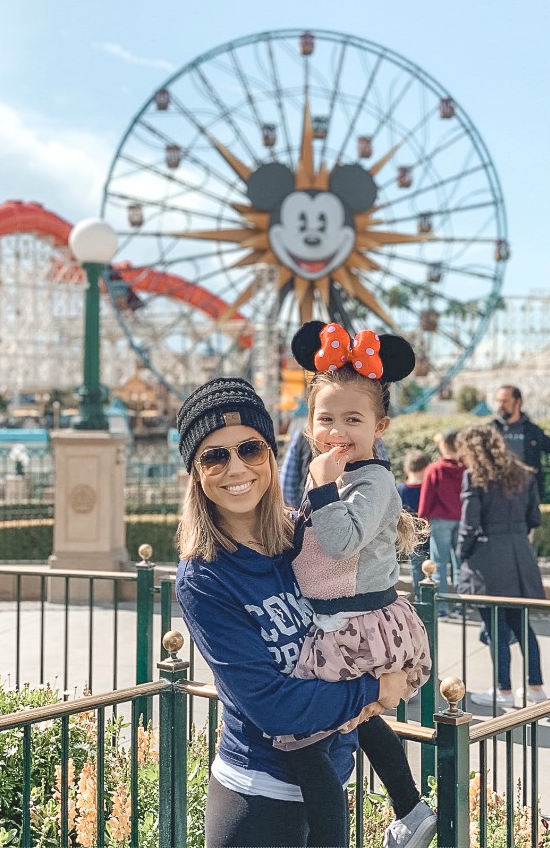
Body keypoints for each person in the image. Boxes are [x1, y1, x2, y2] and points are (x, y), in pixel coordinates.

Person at [174, 377, 411, 848]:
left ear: (271, 454)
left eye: (250, 449)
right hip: (260, 800)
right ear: (195, 473)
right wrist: (376, 688)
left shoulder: (301, 538)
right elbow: (272, 706)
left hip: (331, 777)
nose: (235, 467)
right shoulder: (204, 577)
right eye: (213, 455)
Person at [277, 321, 436, 848]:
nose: (338, 429)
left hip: (358, 624)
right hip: (336, 620)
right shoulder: (336, 473)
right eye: (327, 418)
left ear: (380, 426)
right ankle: (411, 811)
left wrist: (321, 485)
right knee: (357, 722)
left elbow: (342, 541)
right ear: (310, 421)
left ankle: (340, 834)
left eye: (353, 418)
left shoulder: (373, 480)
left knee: (303, 734)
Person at [454, 425, 548, 708]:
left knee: (495, 627)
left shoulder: (475, 477)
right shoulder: (524, 474)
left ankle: (503, 690)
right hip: (520, 555)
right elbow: (534, 518)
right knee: (522, 625)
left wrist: (462, 555)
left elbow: (469, 525)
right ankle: (536, 687)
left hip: (488, 558)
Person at [418, 429, 464, 613]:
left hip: (440, 521)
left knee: (438, 565)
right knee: (461, 564)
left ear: (443, 445)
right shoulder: (467, 468)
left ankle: (442, 606)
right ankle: (462, 604)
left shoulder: (434, 469)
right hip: (462, 520)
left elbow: (426, 499)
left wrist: (423, 520)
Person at [397, 449, 430, 600]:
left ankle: (420, 598)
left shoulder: (400, 490)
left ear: (406, 470)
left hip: (411, 536)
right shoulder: (428, 489)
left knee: (416, 568)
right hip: (430, 533)